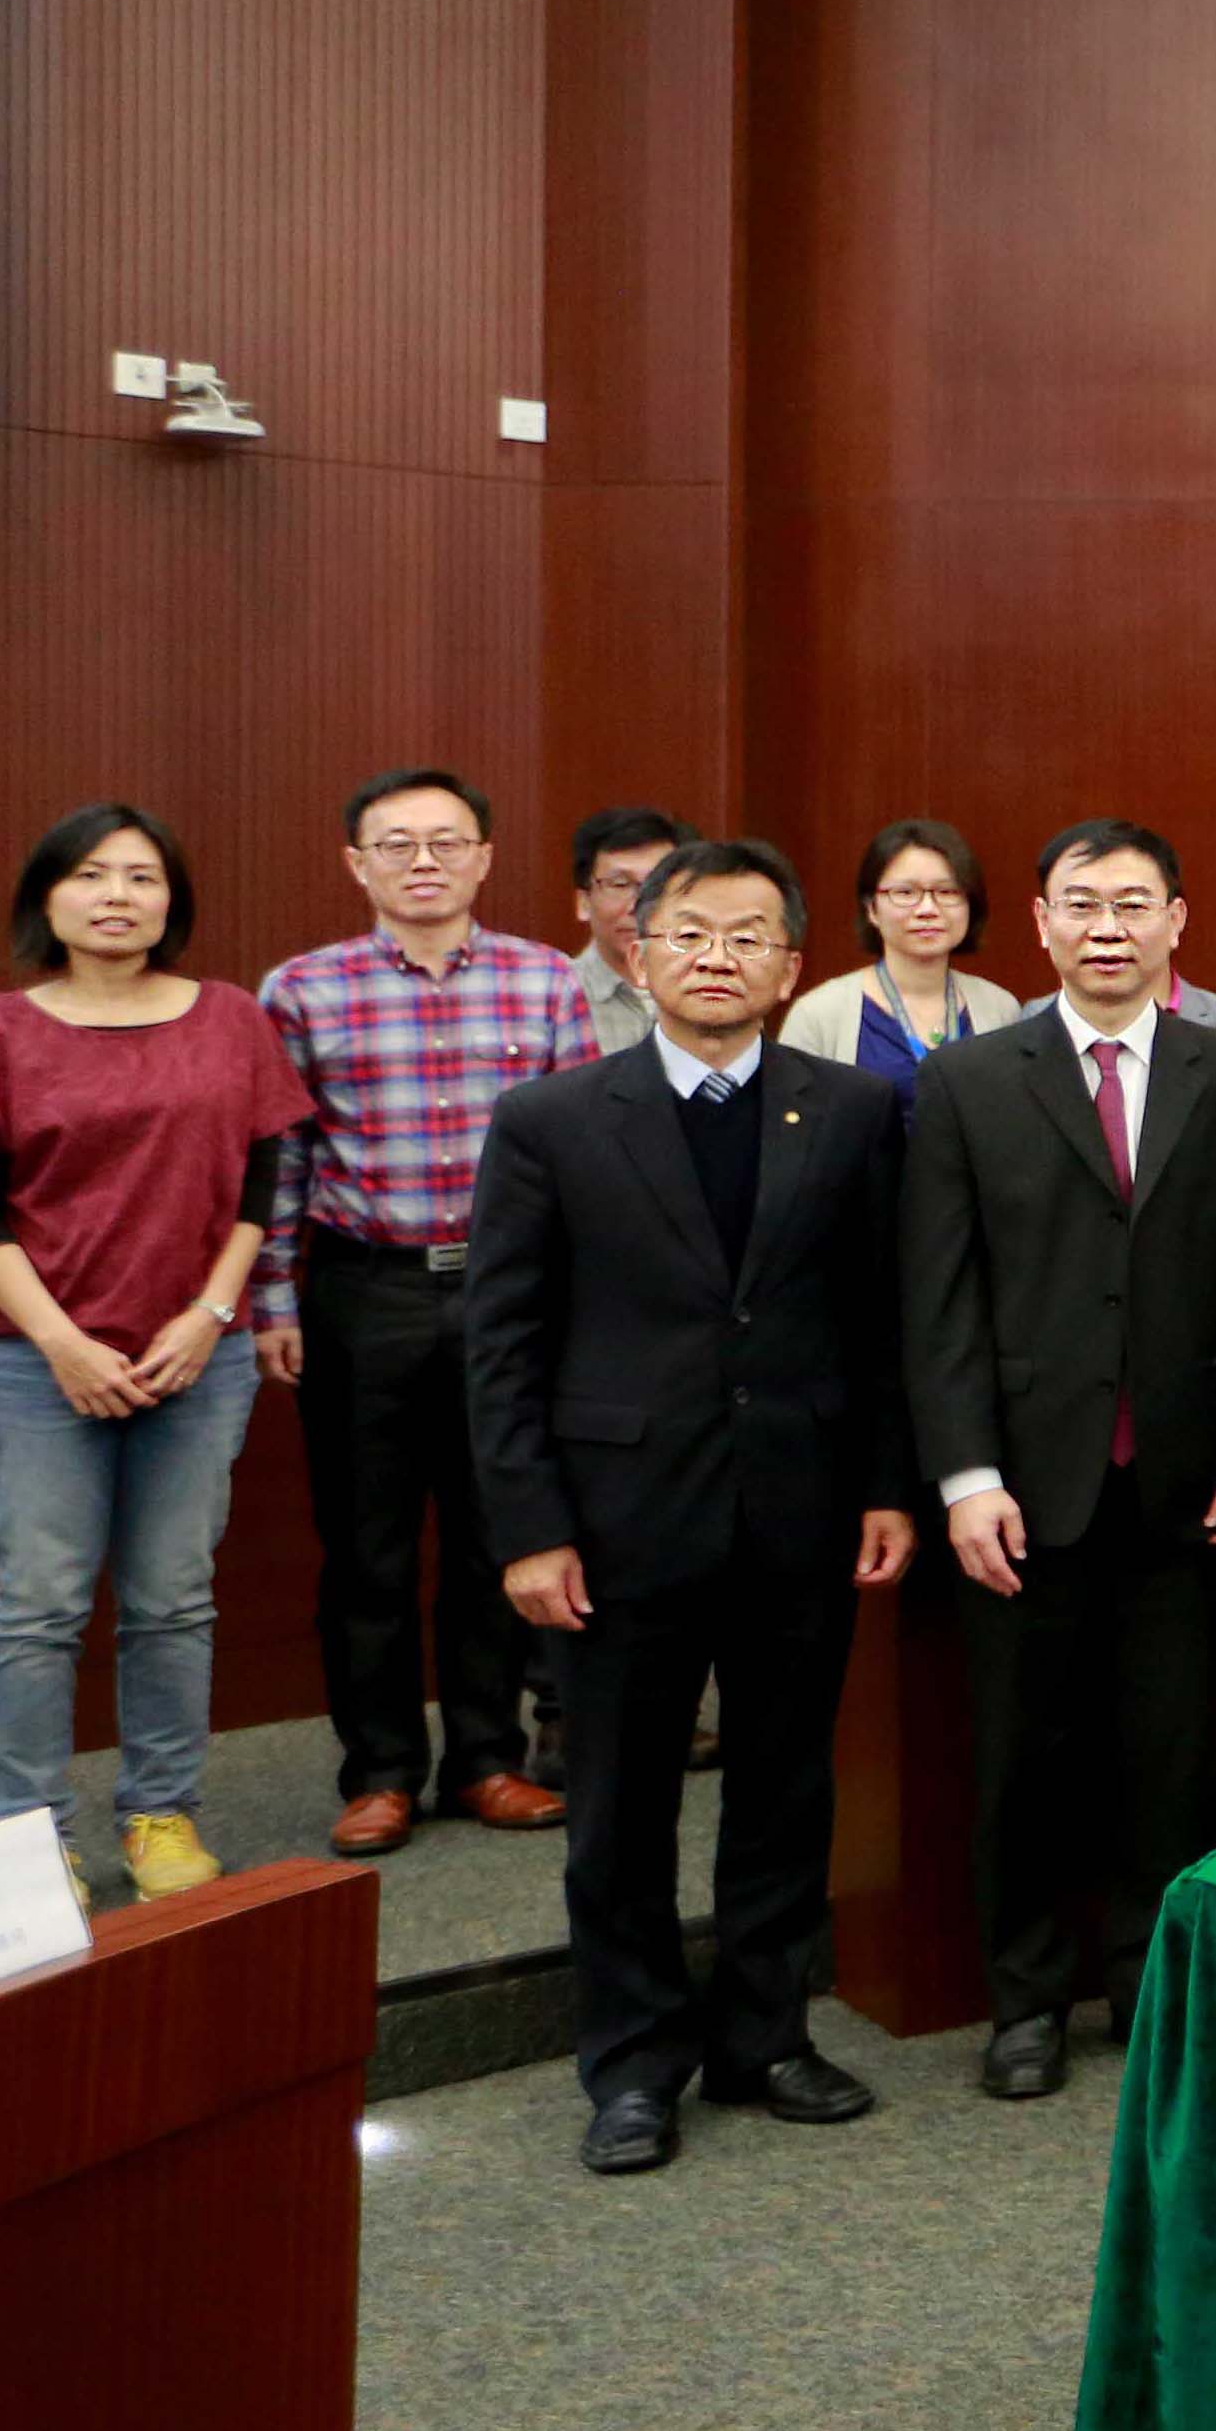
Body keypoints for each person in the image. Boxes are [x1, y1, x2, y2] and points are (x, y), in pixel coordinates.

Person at [463, 839, 918, 2176]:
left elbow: (880, 1319)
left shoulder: (850, 1111)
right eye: (691, 932)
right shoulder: (550, 1119)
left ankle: (765, 2038)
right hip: (615, 1519)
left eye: (748, 936)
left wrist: (885, 1486)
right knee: (619, 1806)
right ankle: (633, 2063)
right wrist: (530, 1527)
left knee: (784, 1787)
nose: (718, 957)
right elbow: (502, 1344)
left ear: (791, 967)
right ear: (638, 951)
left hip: (800, 1504)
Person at [900, 819, 1216, 2102]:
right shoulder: (969, 1081)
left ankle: (1148, 1988)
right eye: (1083, 904)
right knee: (1022, 1758)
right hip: (1022, 1489)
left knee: (1171, 1758)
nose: (1108, 928)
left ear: (1178, 920)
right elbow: (939, 1302)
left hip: (1186, 1481)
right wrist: (965, 1478)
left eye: (1134, 903)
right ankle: (1024, 2002)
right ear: (1040, 923)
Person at [0, 807, 313, 1905]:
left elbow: (262, 1183)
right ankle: (27, 1837)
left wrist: (210, 1314)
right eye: (90, 875)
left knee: (173, 1598)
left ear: (173, 901)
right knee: (39, 1606)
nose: (117, 895)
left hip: (196, 1361)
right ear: (48, 898)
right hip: (37, 1367)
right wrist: (63, 1343)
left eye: (142, 876)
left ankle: (161, 1814)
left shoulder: (230, 1019)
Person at [257, 767, 600, 1855]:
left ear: (484, 858)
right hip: (367, 1289)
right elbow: (281, 1161)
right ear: (356, 863)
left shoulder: (546, 980)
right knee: (368, 1547)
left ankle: (487, 1761)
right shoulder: (301, 990)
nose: (423, 862)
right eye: (396, 843)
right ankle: (380, 1771)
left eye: (446, 841)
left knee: (501, 1532)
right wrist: (272, 1297)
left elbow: (585, 1153)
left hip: (509, 1293)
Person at [783, 818, 1027, 1117]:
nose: (927, 909)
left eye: (947, 892)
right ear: (871, 908)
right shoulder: (818, 1014)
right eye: (905, 893)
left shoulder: (1001, 1008)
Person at [565, 806, 695, 1057]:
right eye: (620, 884)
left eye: (657, 885)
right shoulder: (559, 996)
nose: (637, 906)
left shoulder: (711, 991)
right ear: (583, 902)